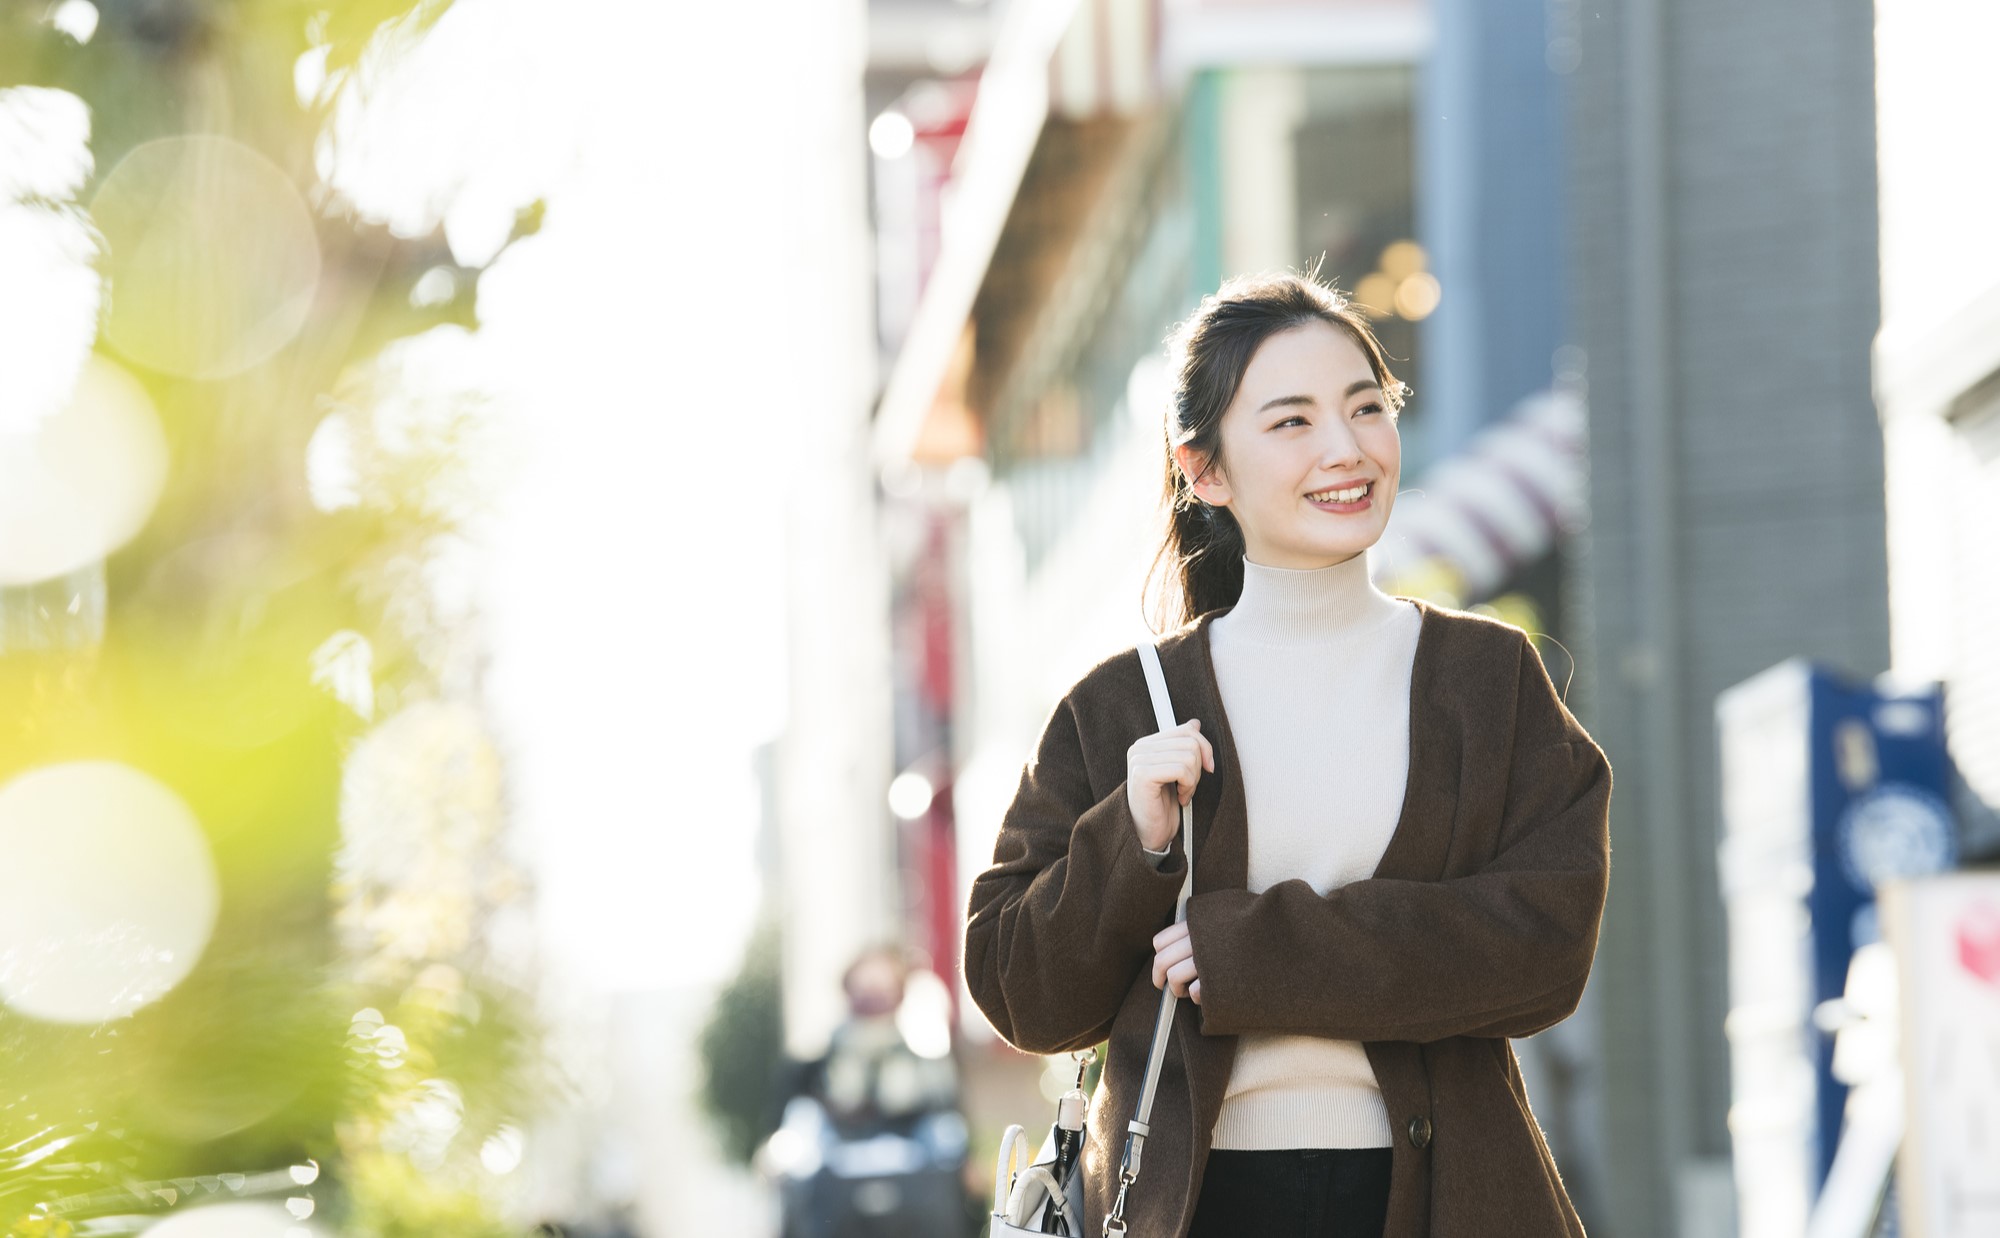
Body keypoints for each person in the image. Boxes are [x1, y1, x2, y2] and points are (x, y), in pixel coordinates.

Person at [962, 269, 1613, 1238]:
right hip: (1194, 1202)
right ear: (1204, 469)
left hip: (1447, 1198)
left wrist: (1250, 950)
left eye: (1365, 407)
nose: (1346, 449)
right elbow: (1021, 990)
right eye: (1292, 422)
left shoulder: (1486, 679)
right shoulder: (1120, 707)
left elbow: (1541, 948)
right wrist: (1129, 839)